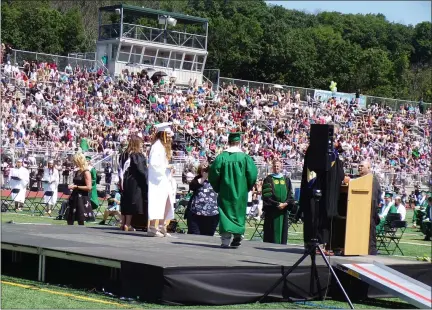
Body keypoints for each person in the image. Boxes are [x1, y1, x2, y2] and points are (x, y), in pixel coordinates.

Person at [209, 132, 258, 248]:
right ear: (239, 143)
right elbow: (253, 175)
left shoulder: (221, 157)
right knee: (239, 213)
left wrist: (218, 187)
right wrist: (247, 187)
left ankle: (225, 240)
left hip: (225, 190)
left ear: (228, 142)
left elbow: (213, 174)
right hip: (241, 191)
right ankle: (238, 235)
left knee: (226, 212)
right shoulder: (245, 158)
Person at [298, 134, 345, 254]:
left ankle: (316, 245)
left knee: (317, 216)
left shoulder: (326, 153)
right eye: (333, 140)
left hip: (321, 191)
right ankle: (316, 245)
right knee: (315, 216)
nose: (335, 143)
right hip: (317, 189)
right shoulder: (323, 153)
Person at [148, 122, 175, 237]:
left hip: (165, 179)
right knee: (157, 202)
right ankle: (153, 228)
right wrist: (167, 167)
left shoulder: (162, 147)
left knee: (167, 202)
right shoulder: (156, 146)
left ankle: (162, 226)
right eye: (168, 134)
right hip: (157, 181)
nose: (170, 137)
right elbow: (154, 164)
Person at [120, 135, 149, 231]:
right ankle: (128, 224)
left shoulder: (124, 154)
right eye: (140, 144)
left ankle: (123, 223)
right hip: (134, 181)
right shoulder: (136, 155)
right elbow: (141, 170)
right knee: (132, 202)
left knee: (125, 201)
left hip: (124, 180)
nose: (142, 146)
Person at [262, 159, 294, 244]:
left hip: (283, 210)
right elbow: (266, 196)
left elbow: (290, 194)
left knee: (282, 233)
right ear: (272, 167)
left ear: (281, 167)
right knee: (271, 234)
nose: (276, 167)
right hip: (272, 210)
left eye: (278, 166)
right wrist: (277, 204)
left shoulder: (286, 179)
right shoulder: (268, 179)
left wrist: (286, 203)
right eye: (275, 166)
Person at [186, 162, 219, 236]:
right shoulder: (197, 179)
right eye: (203, 170)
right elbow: (192, 187)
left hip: (212, 214)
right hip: (196, 213)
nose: (206, 172)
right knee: (194, 235)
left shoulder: (216, 180)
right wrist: (204, 177)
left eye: (207, 170)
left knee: (208, 236)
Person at [357, 160, 382, 255]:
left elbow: (374, 199)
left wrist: (370, 211)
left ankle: (371, 251)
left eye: (362, 166)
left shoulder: (372, 180)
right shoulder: (359, 180)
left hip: (369, 211)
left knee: (370, 232)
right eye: (359, 166)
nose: (359, 168)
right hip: (360, 212)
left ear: (368, 168)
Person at [67, 153, 94, 225]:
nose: (74, 162)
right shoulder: (77, 172)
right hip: (74, 196)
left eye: (75, 161)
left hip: (82, 198)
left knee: (80, 219)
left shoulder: (86, 172)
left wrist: (76, 187)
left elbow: (89, 187)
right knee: (70, 218)